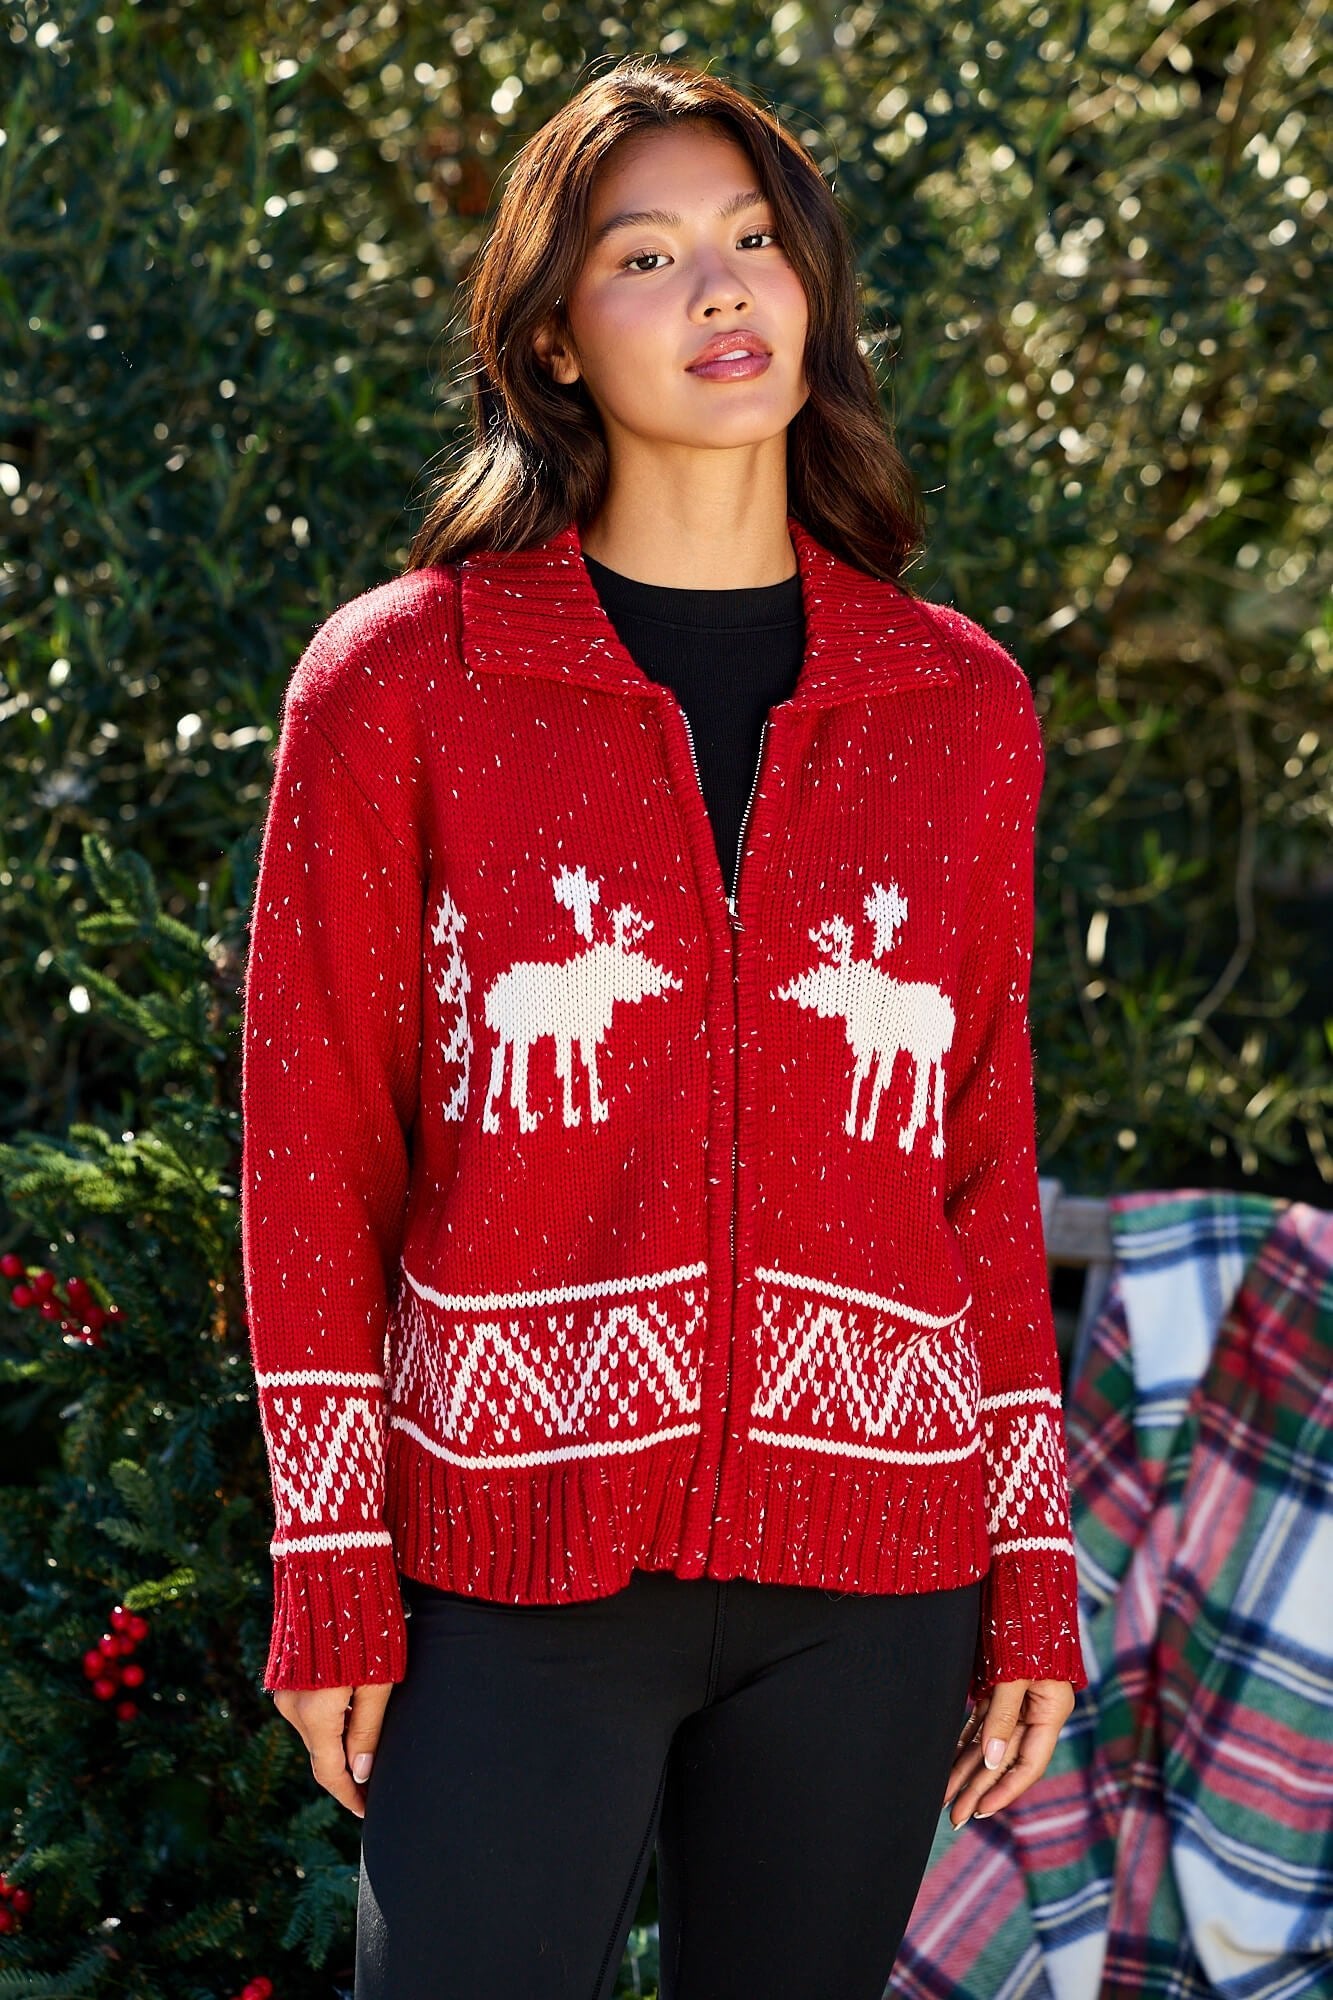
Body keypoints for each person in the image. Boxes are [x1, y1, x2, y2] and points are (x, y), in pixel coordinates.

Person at [239, 55, 1089, 2000]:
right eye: (648, 254)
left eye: (754, 240)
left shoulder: (952, 706)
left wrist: (1029, 1564)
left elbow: (977, 1150)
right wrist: (329, 1561)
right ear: (551, 333)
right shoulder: (406, 682)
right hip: (513, 1555)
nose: (722, 289)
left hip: (874, 1570)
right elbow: (315, 1151)